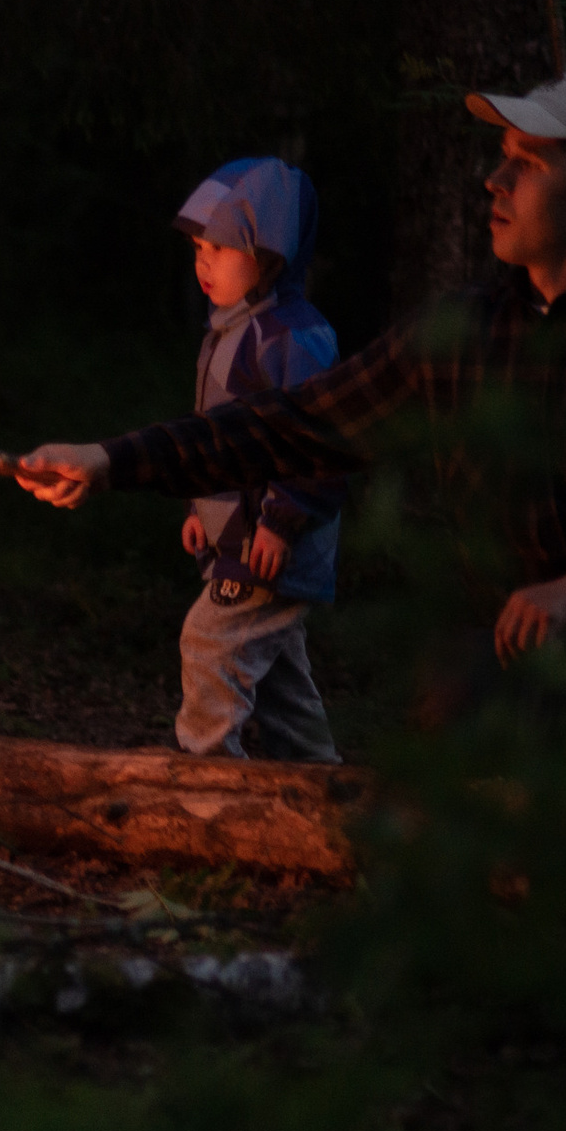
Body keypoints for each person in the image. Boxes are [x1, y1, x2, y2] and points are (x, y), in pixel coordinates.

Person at [16, 70, 566, 721]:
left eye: (530, 164)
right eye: (501, 157)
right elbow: (291, 427)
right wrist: (112, 459)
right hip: (512, 680)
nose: (496, 179)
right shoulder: (459, 336)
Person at [164, 157, 345, 761]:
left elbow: (319, 440)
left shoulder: (294, 337)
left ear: (271, 255)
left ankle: (207, 781)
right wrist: (202, 509)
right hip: (236, 541)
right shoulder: (226, 333)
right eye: (198, 248)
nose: (203, 262)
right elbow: (217, 437)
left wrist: (282, 518)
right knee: (282, 687)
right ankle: (322, 788)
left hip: (272, 546)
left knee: (210, 642)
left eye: (221, 248)